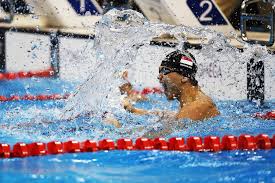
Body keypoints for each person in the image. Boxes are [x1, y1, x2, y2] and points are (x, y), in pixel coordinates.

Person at [123, 49, 220, 121]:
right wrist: (132, 109)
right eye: (159, 72)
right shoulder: (189, 104)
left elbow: (164, 137)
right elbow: (170, 116)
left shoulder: (197, 107)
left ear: (185, 76)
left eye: (164, 71)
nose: (159, 77)